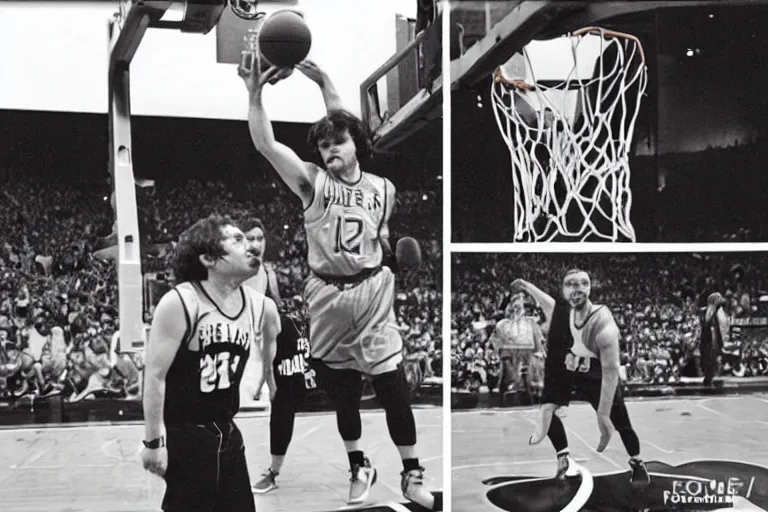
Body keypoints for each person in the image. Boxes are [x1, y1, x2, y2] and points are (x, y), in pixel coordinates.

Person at [240, 60, 436, 509]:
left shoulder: (382, 189)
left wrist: (328, 81)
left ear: (355, 145)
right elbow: (267, 144)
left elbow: (379, 234)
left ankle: (412, 474)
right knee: (343, 395)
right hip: (326, 296)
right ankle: (358, 466)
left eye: (338, 142)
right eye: (323, 145)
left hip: (372, 293)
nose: (330, 149)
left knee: (393, 388)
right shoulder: (313, 183)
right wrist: (255, 95)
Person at [140, 214, 280, 512]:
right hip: (187, 435)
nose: (251, 246)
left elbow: (273, 341)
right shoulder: (181, 302)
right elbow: (154, 376)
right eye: (238, 240)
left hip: (228, 431)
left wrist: (270, 377)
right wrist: (154, 443)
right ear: (208, 258)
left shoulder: (259, 306)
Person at [512, 270, 650, 487]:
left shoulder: (601, 323)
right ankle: (563, 457)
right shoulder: (563, 311)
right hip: (570, 374)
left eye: (582, 284)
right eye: (571, 285)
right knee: (548, 410)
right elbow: (544, 300)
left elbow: (612, 370)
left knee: (621, 422)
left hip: (597, 376)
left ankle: (637, 462)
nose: (576, 290)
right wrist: (526, 285)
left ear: (589, 289)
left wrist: (603, 413)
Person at [251, 295, 316, 494]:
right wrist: (265, 383)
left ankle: (273, 474)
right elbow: (267, 360)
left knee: (280, 425)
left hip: (301, 380)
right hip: (292, 380)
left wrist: (268, 385)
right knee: (280, 424)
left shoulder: (308, 324)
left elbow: (267, 360)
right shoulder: (287, 324)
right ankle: (273, 473)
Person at [239, 216, 281, 405]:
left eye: (260, 238)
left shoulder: (264, 269)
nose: (256, 243)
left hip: (258, 335)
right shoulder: (237, 268)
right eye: (250, 238)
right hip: (241, 336)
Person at [489, 293, 545, 406]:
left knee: (529, 373)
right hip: (510, 354)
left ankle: (528, 390)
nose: (517, 307)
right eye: (515, 304)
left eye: (520, 304)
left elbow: (539, 340)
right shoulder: (503, 324)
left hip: (527, 355)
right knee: (507, 366)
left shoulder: (531, 322)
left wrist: (540, 350)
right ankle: (509, 389)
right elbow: (496, 341)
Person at [700, 292, 727, 386]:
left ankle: (709, 377)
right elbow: (709, 325)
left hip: (711, 339)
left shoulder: (714, 310)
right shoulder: (710, 311)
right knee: (709, 359)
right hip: (709, 340)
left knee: (711, 359)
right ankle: (708, 377)